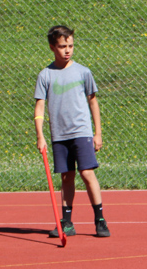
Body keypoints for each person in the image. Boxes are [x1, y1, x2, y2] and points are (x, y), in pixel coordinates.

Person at [34, 25, 110, 238]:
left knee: (87, 174)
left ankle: (100, 219)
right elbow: (39, 106)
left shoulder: (83, 72)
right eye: (62, 46)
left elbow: (93, 102)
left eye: (70, 46)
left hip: (81, 132)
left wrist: (98, 133)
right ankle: (66, 222)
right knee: (67, 177)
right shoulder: (45, 75)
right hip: (60, 135)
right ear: (52, 47)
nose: (67, 50)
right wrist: (40, 136)